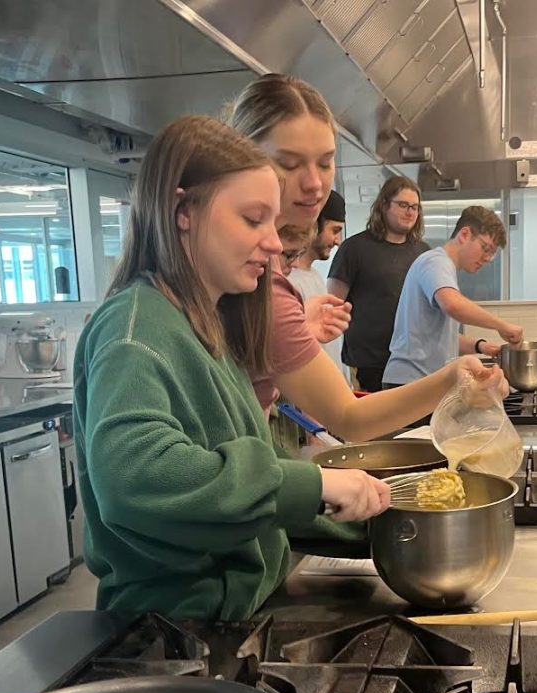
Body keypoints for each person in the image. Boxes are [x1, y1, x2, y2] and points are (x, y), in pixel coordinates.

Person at [73, 115, 388, 620]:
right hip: (172, 636)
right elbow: (136, 478)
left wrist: (380, 522)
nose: (273, 241)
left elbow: (251, 508)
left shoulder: (206, 324)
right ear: (183, 211)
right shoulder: (134, 330)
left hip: (234, 614)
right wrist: (317, 485)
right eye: (252, 218)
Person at [229, 74, 504, 440]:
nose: (313, 183)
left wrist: (302, 327)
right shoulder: (251, 281)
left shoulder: (268, 285)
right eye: (290, 164)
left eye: (326, 163)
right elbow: (348, 416)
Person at [382, 206, 523, 388]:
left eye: (492, 253)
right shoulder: (435, 262)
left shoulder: (444, 268)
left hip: (421, 383)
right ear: (464, 235)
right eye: (485, 248)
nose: (487, 258)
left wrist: (480, 346)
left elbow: (440, 339)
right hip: (410, 382)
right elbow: (453, 305)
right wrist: (501, 325)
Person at [327, 176, 430, 392]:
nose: (410, 212)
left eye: (415, 207)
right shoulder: (354, 249)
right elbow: (333, 305)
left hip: (413, 363)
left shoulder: (423, 252)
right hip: (368, 364)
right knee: (377, 425)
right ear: (383, 205)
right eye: (403, 205)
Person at [288, 189, 345, 303]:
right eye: (335, 231)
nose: (338, 241)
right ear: (315, 225)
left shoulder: (316, 277)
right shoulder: (288, 279)